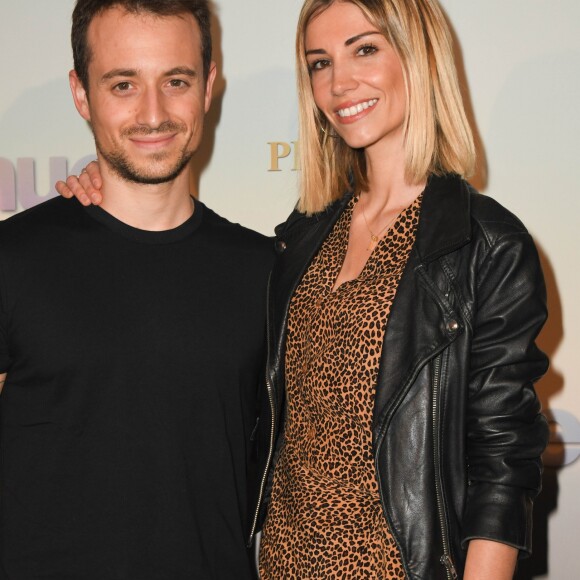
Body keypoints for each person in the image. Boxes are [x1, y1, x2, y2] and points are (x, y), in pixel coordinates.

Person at [59, 0, 550, 578]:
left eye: (364, 49)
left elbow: (503, 462)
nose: (340, 82)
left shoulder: (483, 243)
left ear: (418, 57)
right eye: (319, 63)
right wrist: (106, 186)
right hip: (280, 565)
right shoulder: (306, 234)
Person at [0, 1, 272, 578]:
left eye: (176, 81)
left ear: (208, 86)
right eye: (123, 84)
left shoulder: (269, 271)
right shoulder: (12, 259)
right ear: (81, 94)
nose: (154, 113)